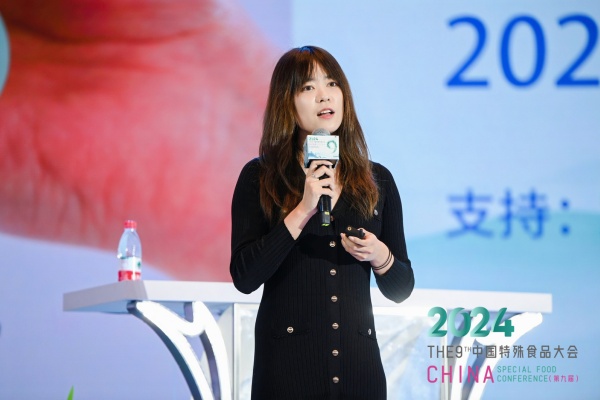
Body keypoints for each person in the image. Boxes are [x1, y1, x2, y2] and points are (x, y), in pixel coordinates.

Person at [230, 46, 414, 399]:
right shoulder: (260, 176)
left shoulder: (378, 180)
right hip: (288, 373)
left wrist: (379, 255)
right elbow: (245, 276)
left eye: (332, 84)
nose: (324, 95)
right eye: (308, 87)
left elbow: (401, 288)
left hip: (359, 373)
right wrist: (303, 209)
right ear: (287, 102)